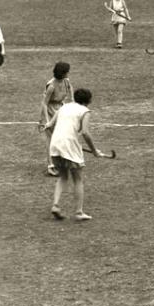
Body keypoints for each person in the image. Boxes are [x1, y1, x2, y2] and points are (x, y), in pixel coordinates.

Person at [43, 88, 104, 221]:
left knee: (63, 177)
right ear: (89, 100)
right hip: (69, 147)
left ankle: (56, 205)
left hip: (55, 145)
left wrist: (55, 134)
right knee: (78, 179)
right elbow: (86, 133)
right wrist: (94, 151)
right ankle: (79, 212)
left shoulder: (64, 107)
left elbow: (50, 124)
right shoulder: (85, 111)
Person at [40, 62, 73, 177]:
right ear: (62, 73)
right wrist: (47, 121)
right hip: (50, 111)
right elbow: (44, 104)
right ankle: (51, 166)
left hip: (61, 109)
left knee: (62, 138)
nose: (69, 73)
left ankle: (60, 161)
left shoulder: (66, 81)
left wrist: (72, 104)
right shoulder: (51, 86)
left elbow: (70, 92)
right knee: (50, 140)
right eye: (67, 71)